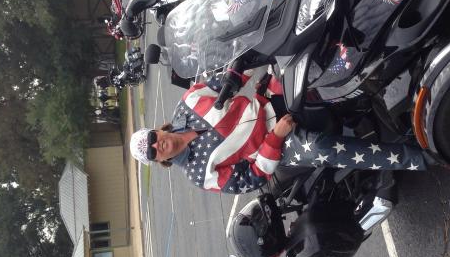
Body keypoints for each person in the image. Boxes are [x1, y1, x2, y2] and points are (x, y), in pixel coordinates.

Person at [129, 72, 426, 195]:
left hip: (266, 102)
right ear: (159, 161)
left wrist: (256, 46)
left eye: (152, 139)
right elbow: (250, 178)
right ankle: (417, 157)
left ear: (155, 130)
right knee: (322, 149)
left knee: (302, 57)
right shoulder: (198, 174)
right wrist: (275, 138)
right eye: (152, 152)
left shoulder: (188, 103)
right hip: (278, 145)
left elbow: (230, 75)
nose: (158, 145)